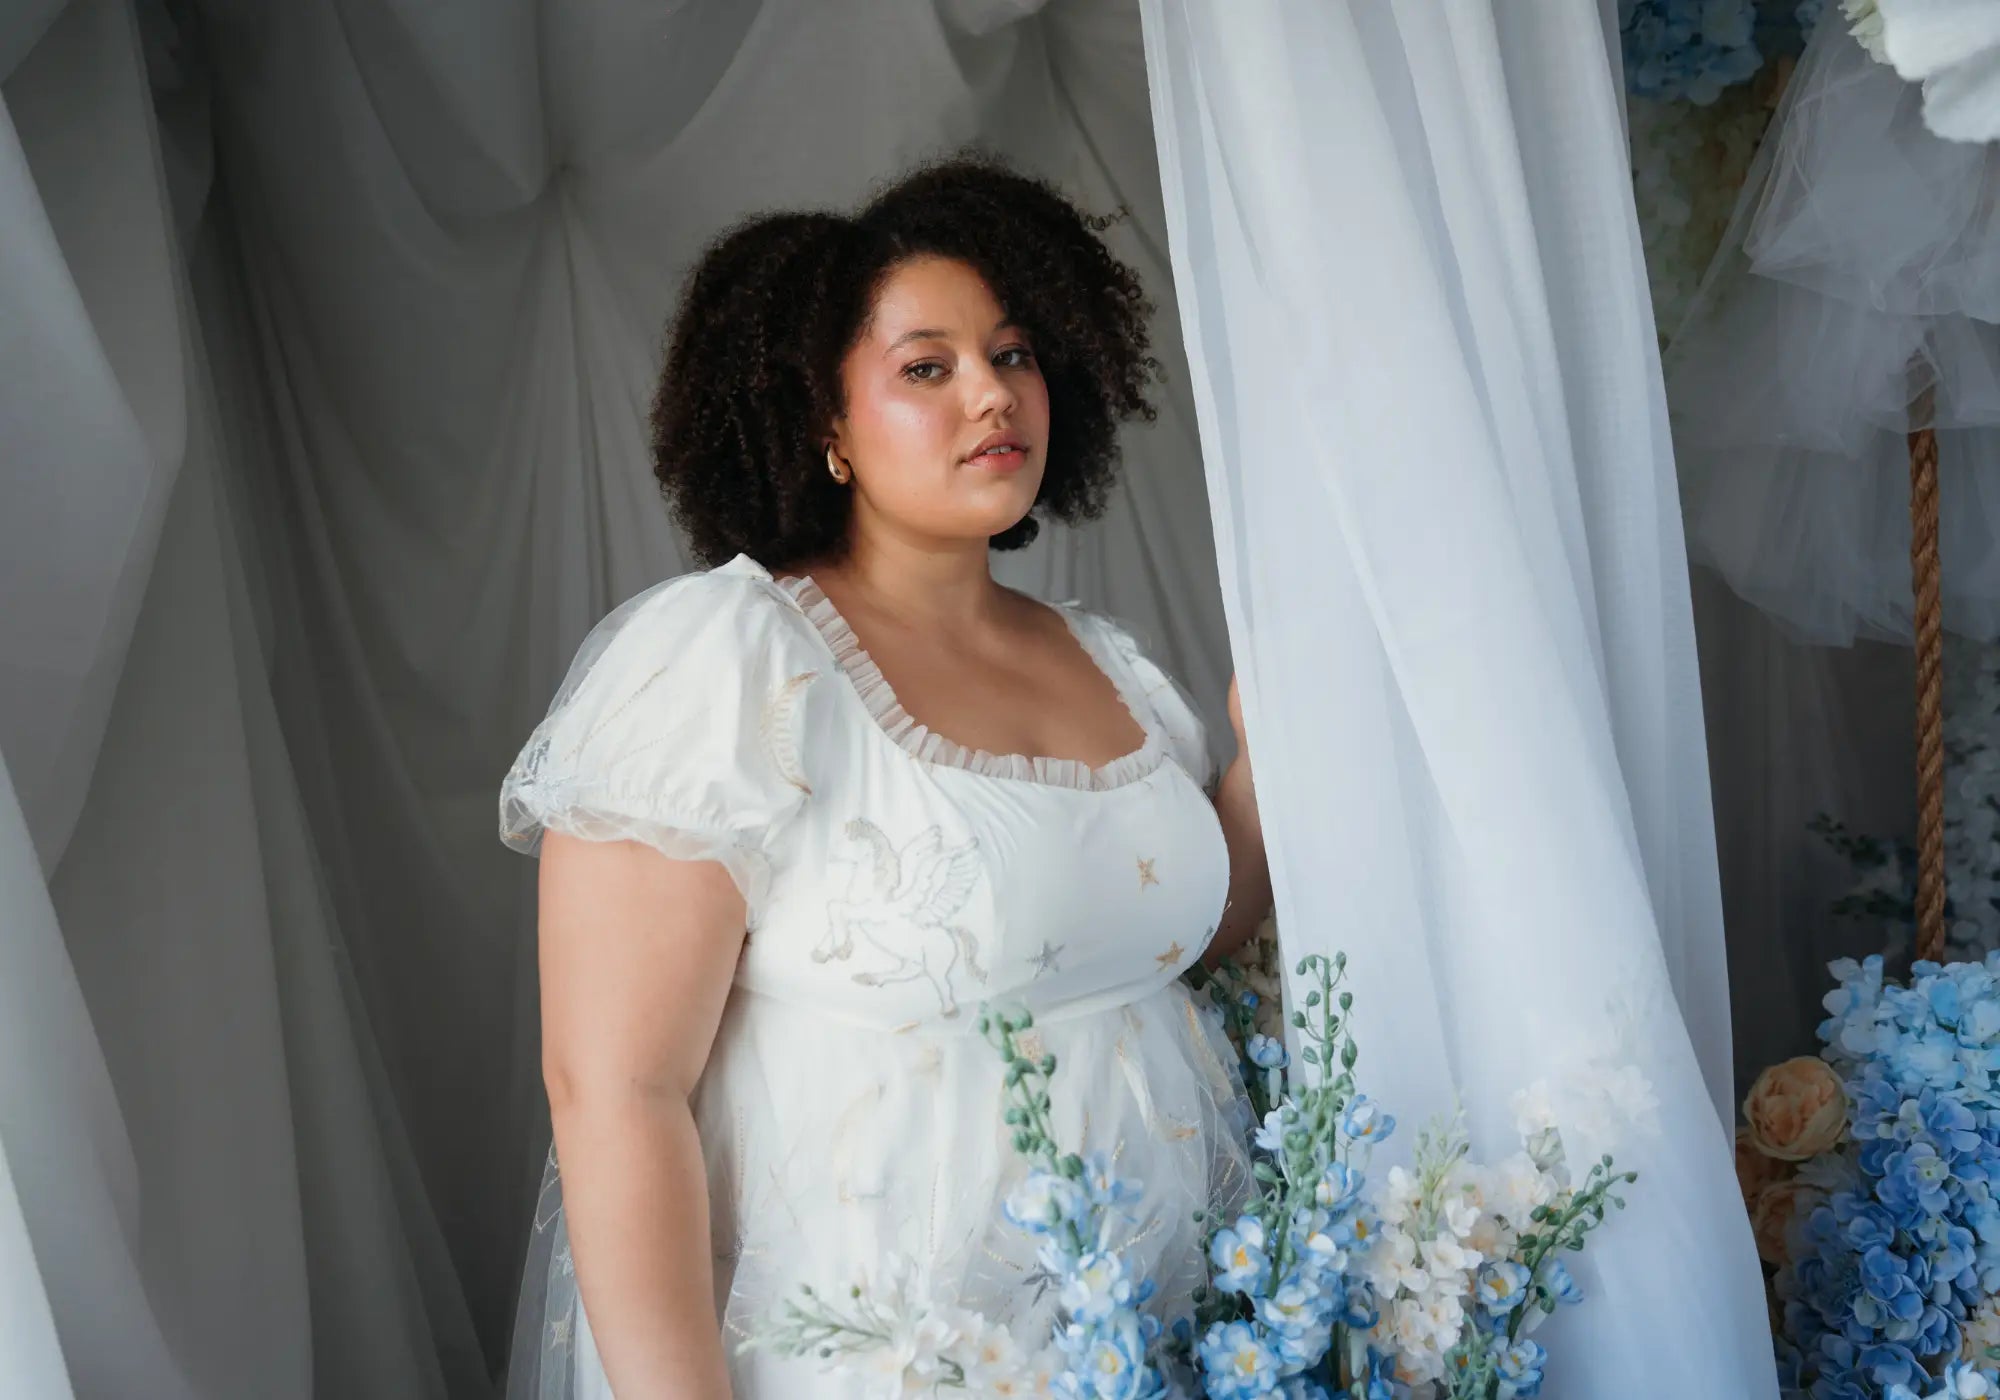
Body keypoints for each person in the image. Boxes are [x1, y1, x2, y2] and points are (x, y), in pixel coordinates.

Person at [497, 156, 1272, 1399]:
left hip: (1151, 1340)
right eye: (926, 367)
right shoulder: (729, 661)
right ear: (823, 425)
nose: (991, 391)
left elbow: (1159, 944)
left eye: (1011, 353)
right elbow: (614, 1088)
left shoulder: (1107, 662)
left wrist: (1264, 760)